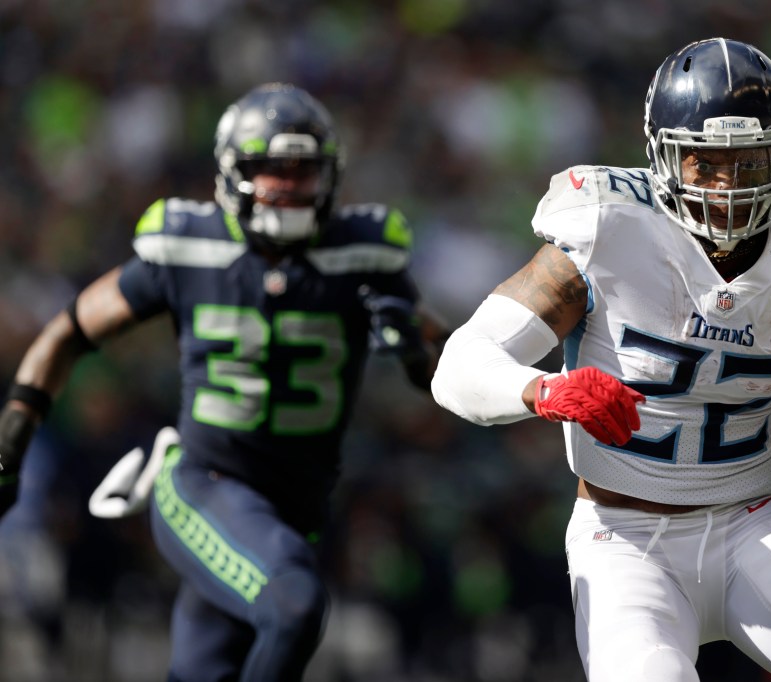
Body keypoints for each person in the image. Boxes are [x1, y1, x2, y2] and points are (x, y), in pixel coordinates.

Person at [431, 38, 771, 682]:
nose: (728, 184)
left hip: (755, 526)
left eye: (749, 159)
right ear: (663, 156)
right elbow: (459, 365)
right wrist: (543, 392)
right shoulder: (605, 230)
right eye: (705, 162)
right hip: (624, 539)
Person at [0, 82, 445, 681]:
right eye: (271, 169)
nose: (287, 186)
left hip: (296, 505)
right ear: (234, 172)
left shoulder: (361, 254)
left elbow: (444, 372)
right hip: (205, 483)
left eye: (302, 170)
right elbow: (66, 333)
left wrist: (416, 350)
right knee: (294, 604)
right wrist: (11, 442)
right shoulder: (189, 245)